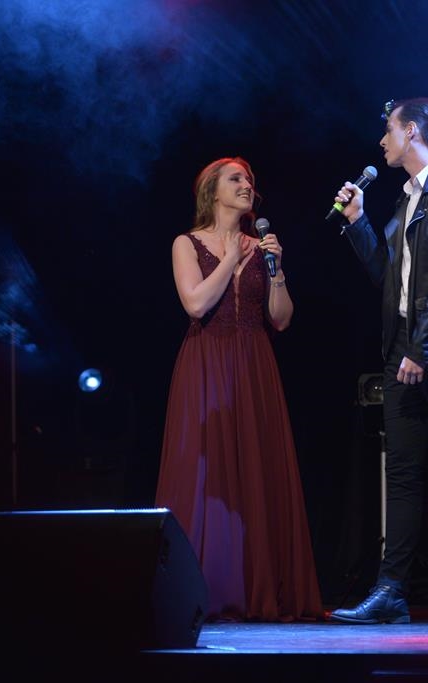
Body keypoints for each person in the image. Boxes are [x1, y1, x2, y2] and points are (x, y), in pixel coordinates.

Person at [329, 98, 428, 624]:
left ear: (413, 131)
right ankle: (391, 591)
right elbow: (388, 277)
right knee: (401, 473)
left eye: (389, 130)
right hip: (407, 348)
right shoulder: (407, 200)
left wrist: (421, 351)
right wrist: (358, 222)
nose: (382, 141)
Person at [154, 156, 323, 622]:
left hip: (254, 363)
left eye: (249, 179)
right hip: (206, 363)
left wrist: (276, 269)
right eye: (236, 179)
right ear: (212, 191)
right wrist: (230, 257)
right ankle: (205, 590)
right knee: (206, 474)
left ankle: (260, 587)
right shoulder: (187, 243)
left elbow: (281, 319)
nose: (247, 185)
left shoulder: (261, 246)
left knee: (255, 467)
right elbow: (195, 304)